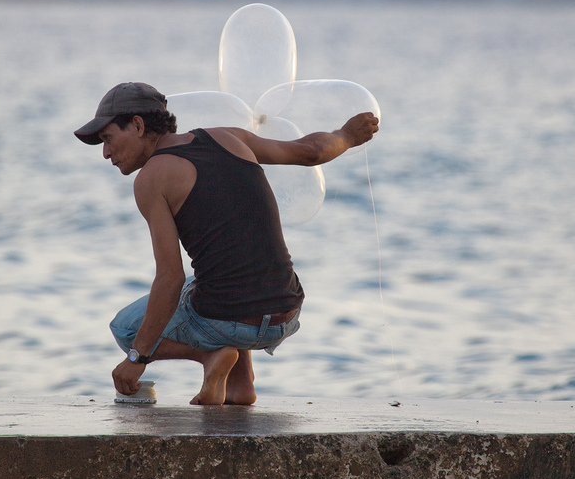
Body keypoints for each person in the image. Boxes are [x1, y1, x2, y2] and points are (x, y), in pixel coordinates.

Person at [74, 82, 378, 405]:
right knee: (222, 271)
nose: (105, 153)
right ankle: (240, 384)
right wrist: (346, 136)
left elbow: (170, 279)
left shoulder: (150, 179)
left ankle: (211, 358)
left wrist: (137, 358)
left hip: (231, 323)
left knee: (124, 327)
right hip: (286, 313)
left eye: (107, 139)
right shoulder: (227, 138)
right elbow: (310, 152)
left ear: (137, 125)